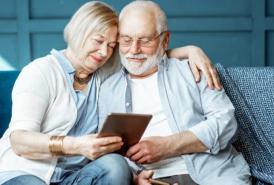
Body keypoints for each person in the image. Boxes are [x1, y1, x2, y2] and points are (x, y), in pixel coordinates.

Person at [0, 1, 220, 185]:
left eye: (112, 45)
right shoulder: (40, 71)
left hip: (75, 178)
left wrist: (191, 50)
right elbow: (20, 140)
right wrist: (76, 146)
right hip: (27, 173)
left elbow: (144, 56)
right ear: (79, 33)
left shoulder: (102, 72)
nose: (104, 52)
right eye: (98, 41)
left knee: (116, 164)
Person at [98, 1, 251, 185]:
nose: (134, 49)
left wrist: (167, 146)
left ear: (165, 40)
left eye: (145, 40)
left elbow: (226, 123)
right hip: (151, 180)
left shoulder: (193, 69)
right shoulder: (107, 89)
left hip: (212, 174)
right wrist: (134, 178)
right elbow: (109, 151)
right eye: (126, 39)